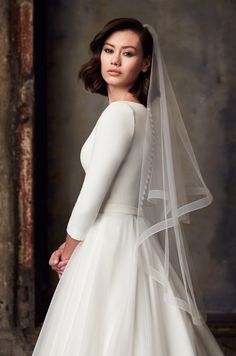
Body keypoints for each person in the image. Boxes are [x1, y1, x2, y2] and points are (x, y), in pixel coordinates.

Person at [33, 18, 224, 355]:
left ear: (146, 62)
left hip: (107, 239)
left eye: (128, 53)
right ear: (100, 55)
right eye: (109, 51)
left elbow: (94, 192)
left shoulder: (120, 115)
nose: (115, 60)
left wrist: (69, 246)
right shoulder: (143, 115)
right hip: (133, 236)